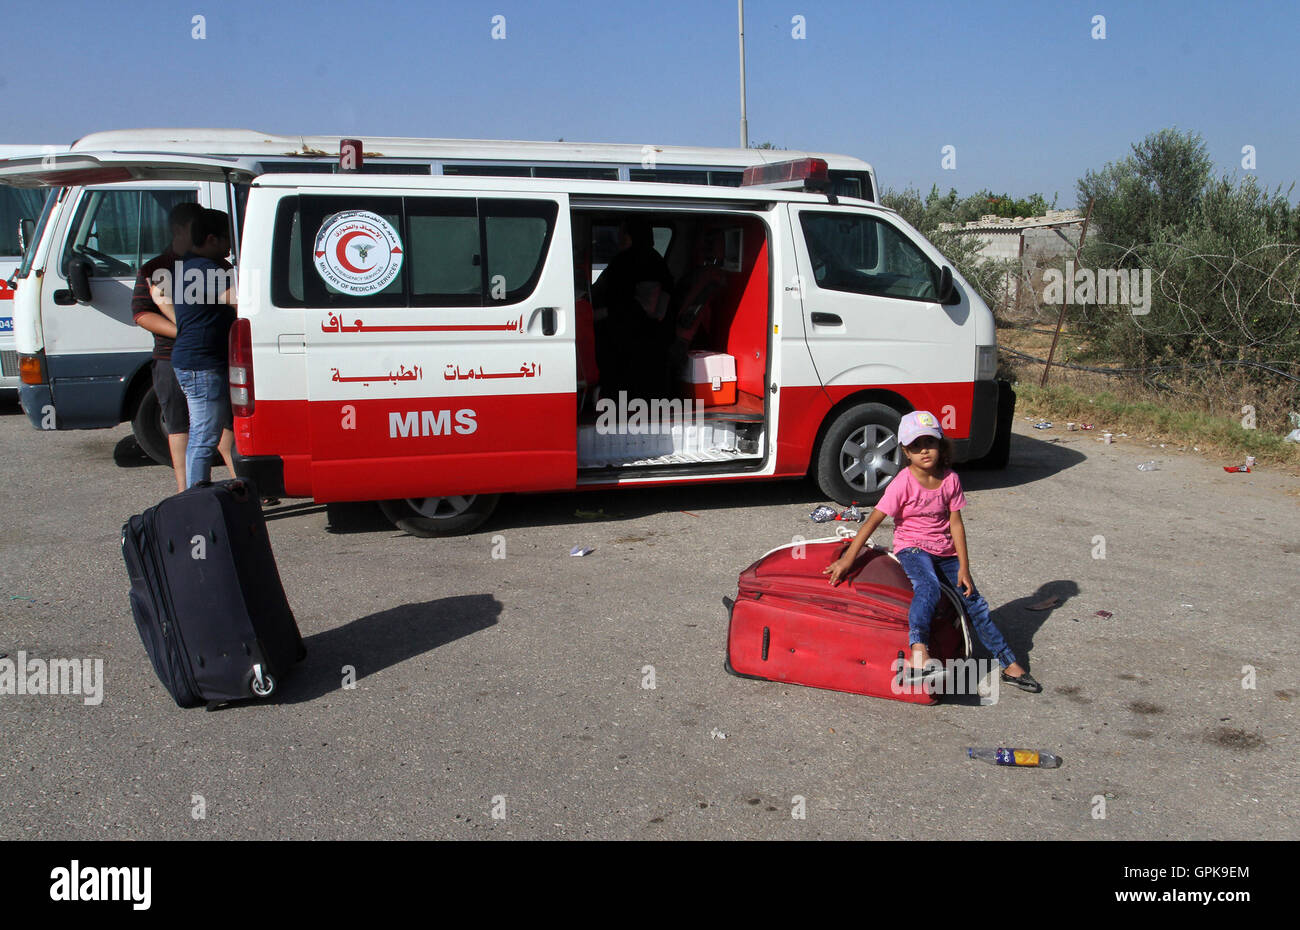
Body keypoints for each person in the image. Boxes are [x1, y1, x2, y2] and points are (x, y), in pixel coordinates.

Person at [823, 410, 1042, 693]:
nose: (924, 450)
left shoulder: (950, 479)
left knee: (974, 601)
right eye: (916, 446)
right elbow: (874, 520)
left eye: (930, 442)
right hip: (912, 548)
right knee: (928, 588)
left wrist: (964, 567)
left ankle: (1009, 663)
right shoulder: (903, 482)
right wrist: (848, 559)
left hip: (946, 550)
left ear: (941, 444)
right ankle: (918, 653)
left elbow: (956, 525)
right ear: (905, 451)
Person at [132, 201, 235, 492]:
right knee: (202, 435)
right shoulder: (203, 269)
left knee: (210, 431)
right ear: (212, 239)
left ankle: (207, 491)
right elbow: (244, 300)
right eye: (229, 239)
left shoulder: (189, 266)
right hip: (200, 362)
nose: (232, 246)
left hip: (195, 359)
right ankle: (194, 498)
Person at [591, 217, 673, 398]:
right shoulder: (630, 260)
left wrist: (603, 313)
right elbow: (599, 288)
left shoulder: (646, 262)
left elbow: (649, 308)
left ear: (633, 235)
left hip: (637, 338)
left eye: (623, 233)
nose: (619, 237)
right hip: (635, 335)